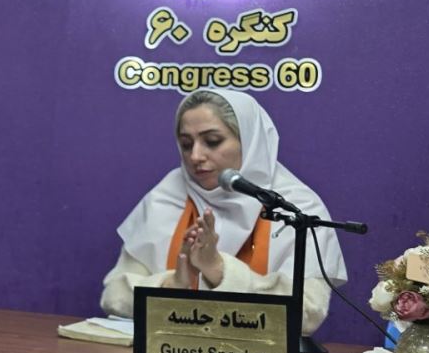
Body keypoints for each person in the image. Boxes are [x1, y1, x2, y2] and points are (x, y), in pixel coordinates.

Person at [99, 89, 345, 336]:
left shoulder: (297, 208)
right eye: (186, 144)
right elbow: (114, 296)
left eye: (212, 141)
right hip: (168, 350)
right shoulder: (165, 197)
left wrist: (218, 269)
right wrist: (174, 284)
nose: (195, 156)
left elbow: (307, 313)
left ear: (249, 140)